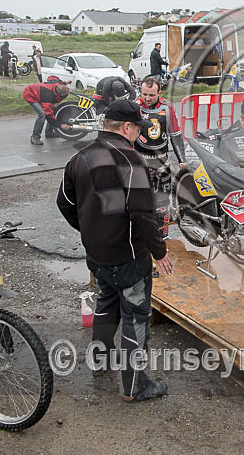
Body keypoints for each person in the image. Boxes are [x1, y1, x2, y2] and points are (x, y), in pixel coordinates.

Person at [56, 99, 174, 403]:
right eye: (137, 129)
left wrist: (88, 229)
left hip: (96, 254)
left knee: (106, 304)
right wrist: (159, 252)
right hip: (128, 257)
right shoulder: (132, 162)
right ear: (126, 127)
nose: (139, 135)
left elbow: (65, 203)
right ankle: (136, 385)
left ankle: (99, 362)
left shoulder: (79, 159)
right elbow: (142, 215)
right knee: (135, 316)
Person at [135, 76, 186, 241]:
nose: (147, 98)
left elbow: (176, 135)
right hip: (139, 164)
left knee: (162, 203)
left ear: (159, 92)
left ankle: (163, 236)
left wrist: (182, 160)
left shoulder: (167, 107)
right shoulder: (134, 107)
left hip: (161, 163)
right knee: (139, 203)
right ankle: (141, 236)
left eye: (151, 95)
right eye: (144, 94)